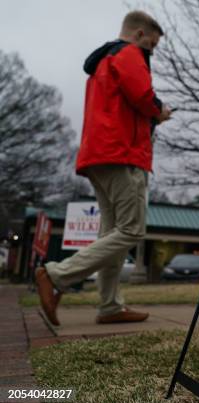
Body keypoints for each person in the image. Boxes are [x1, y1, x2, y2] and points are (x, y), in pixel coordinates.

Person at [35, 10, 172, 325]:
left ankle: (110, 305)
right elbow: (141, 95)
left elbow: (125, 101)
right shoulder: (129, 54)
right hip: (122, 154)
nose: (151, 51)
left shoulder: (103, 61)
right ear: (139, 35)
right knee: (131, 229)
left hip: (98, 154)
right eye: (151, 44)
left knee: (112, 232)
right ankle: (55, 275)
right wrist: (159, 111)